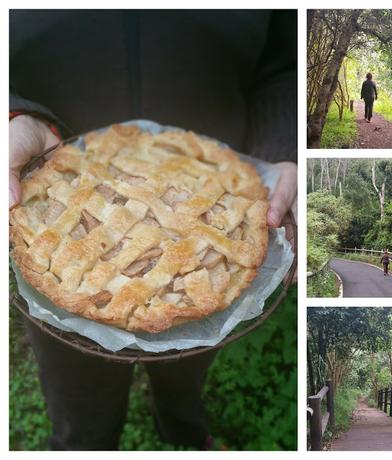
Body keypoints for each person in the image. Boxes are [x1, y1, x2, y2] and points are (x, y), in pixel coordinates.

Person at [9, 10, 297, 451]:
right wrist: (15, 114)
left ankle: (180, 428)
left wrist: (282, 147)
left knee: (188, 368)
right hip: (62, 209)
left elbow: (286, 65)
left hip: (217, 202)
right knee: (79, 404)